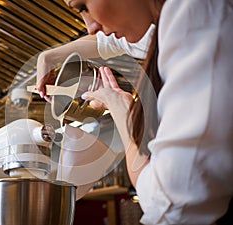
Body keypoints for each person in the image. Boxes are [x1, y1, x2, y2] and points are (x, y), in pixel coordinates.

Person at [36, 0, 233, 224]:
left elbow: (170, 205)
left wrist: (122, 112)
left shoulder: (194, 16)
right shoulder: (165, 24)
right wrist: (50, 56)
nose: (90, 26)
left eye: (83, 6)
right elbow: (107, 43)